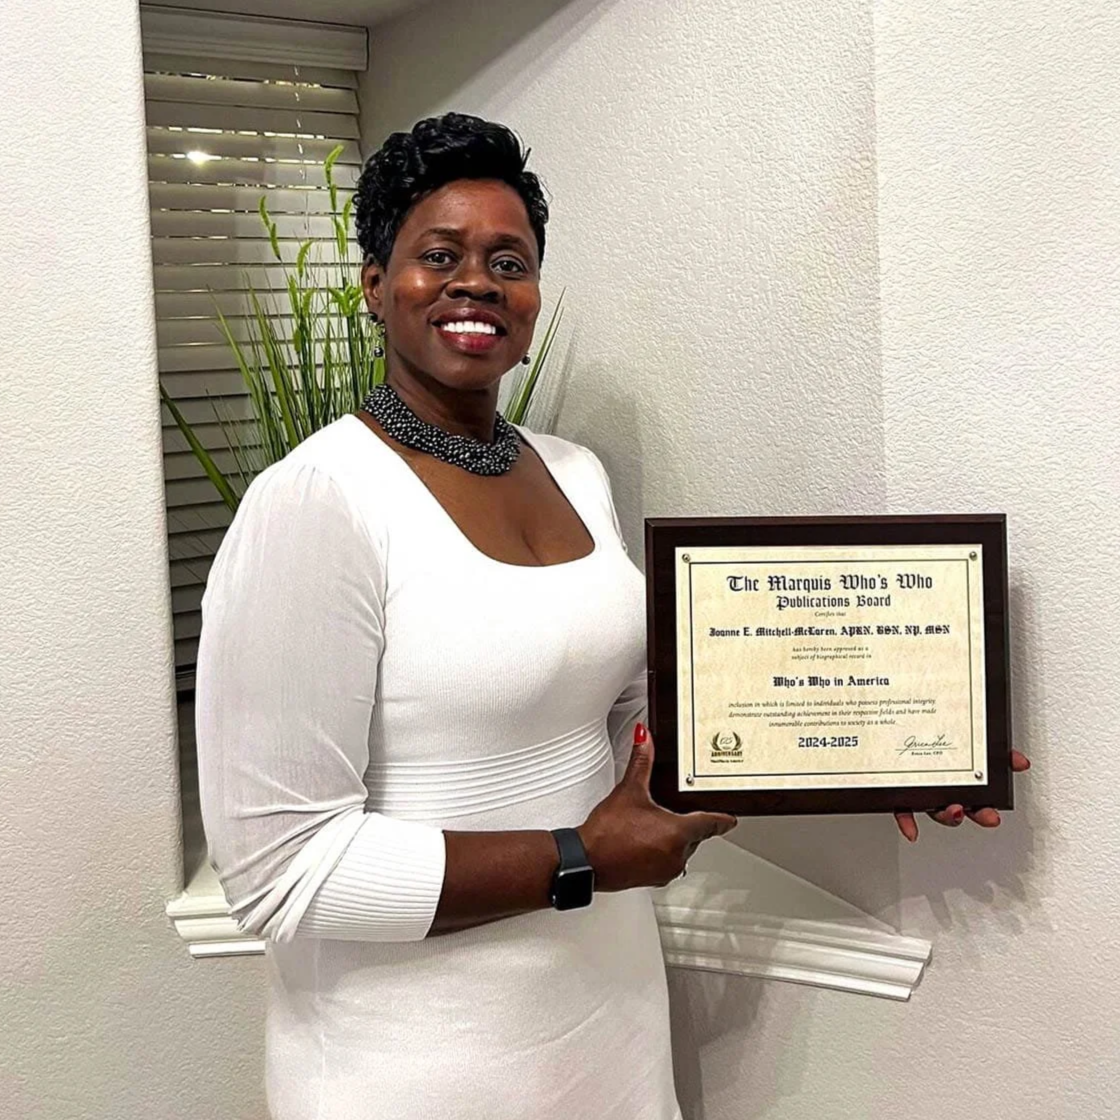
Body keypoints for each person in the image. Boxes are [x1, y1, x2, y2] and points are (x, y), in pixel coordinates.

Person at [195, 112, 1030, 1120]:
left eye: (509, 259)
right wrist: (580, 856)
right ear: (376, 285)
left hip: (609, 1022)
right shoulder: (318, 502)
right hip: (418, 1060)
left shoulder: (574, 473)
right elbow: (281, 872)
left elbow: (654, 715)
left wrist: (896, 743)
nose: (476, 281)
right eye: (439, 254)